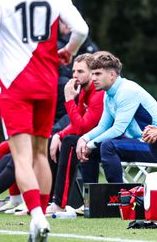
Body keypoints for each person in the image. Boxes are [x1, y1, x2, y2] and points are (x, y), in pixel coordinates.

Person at [0, 0, 88, 241]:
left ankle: (36, 217)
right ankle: (42, 213)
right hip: (47, 81)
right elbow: (80, 29)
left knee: (21, 155)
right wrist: (70, 51)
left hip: (14, 83)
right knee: (40, 153)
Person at [76, 52, 157, 183]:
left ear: (112, 75)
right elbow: (103, 126)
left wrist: (90, 144)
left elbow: (118, 129)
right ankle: (90, 200)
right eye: (93, 74)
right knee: (90, 150)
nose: (93, 78)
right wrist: (84, 139)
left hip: (156, 146)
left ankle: (117, 197)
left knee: (108, 146)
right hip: (138, 143)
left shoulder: (127, 90)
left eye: (98, 74)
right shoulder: (108, 93)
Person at [46, 53, 104, 214]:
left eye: (80, 71)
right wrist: (58, 135)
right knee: (54, 140)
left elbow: (81, 128)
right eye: (73, 71)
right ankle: (49, 200)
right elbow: (75, 123)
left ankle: (59, 203)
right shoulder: (84, 92)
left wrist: (69, 100)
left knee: (70, 142)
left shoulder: (98, 94)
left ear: (92, 74)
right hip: (91, 140)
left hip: (111, 141)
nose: (75, 76)